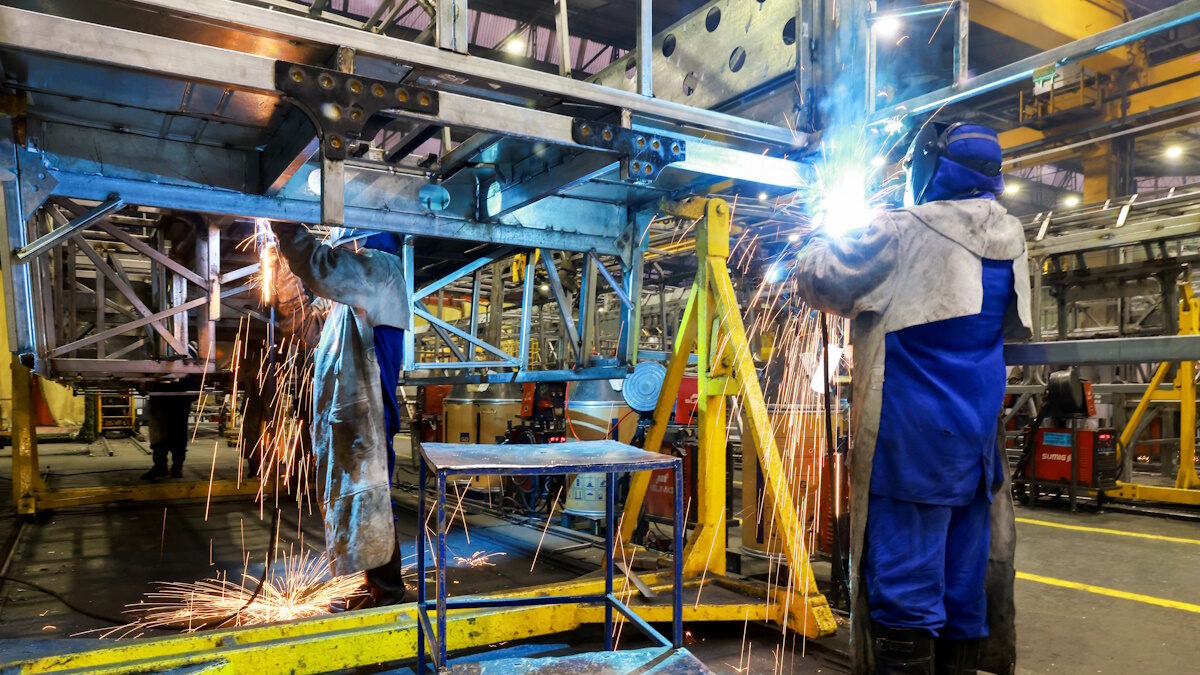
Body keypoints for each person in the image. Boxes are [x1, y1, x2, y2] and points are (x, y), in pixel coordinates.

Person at [794, 123, 1032, 675]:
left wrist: (819, 239)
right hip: (974, 455)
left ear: (932, 170)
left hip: (910, 452)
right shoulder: (1012, 237)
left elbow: (821, 278)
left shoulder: (901, 231)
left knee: (906, 594)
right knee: (961, 594)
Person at [273, 223, 410, 606]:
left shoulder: (380, 268)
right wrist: (285, 286)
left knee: (371, 499)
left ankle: (389, 593)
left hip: (367, 412)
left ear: (357, 239)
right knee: (357, 500)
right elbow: (309, 328)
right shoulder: (351, 294)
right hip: (349, 414)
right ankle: (375, 586)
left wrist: (284, 227)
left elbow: (321, 267)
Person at [141, 380, 200, 480]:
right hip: (175, 391)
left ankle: (168, 467)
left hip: (170, 391)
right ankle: (172, 467)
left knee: (165, 428)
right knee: (173, 428)